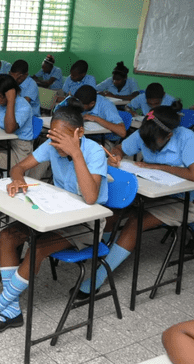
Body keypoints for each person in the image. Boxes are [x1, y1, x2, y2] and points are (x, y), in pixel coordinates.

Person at [0, 98, 108, 333]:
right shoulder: (52, 145)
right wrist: (18, 179)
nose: (57, 147)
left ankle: (0, 305)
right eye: (53, 139)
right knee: (8, 235)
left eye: (62, 142)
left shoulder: (93, 153)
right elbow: (18, 167)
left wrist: (76, 154)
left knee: (38, 247)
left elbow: (91, 197)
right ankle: (12, 311)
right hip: (55, 213)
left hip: (86, 223)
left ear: (79, 133)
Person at [75, 105, 194, 300]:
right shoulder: (147, 131)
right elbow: (120, 147)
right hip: (152, 191)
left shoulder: (187, 138)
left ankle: (99, 276)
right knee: (111, 212)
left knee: (135, 221)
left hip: (183, 200)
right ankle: (101, 252)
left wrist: (157, 166)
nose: (148, 147)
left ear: (170, 136)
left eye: (154, 144)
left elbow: (193, 174)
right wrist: (117, 156)